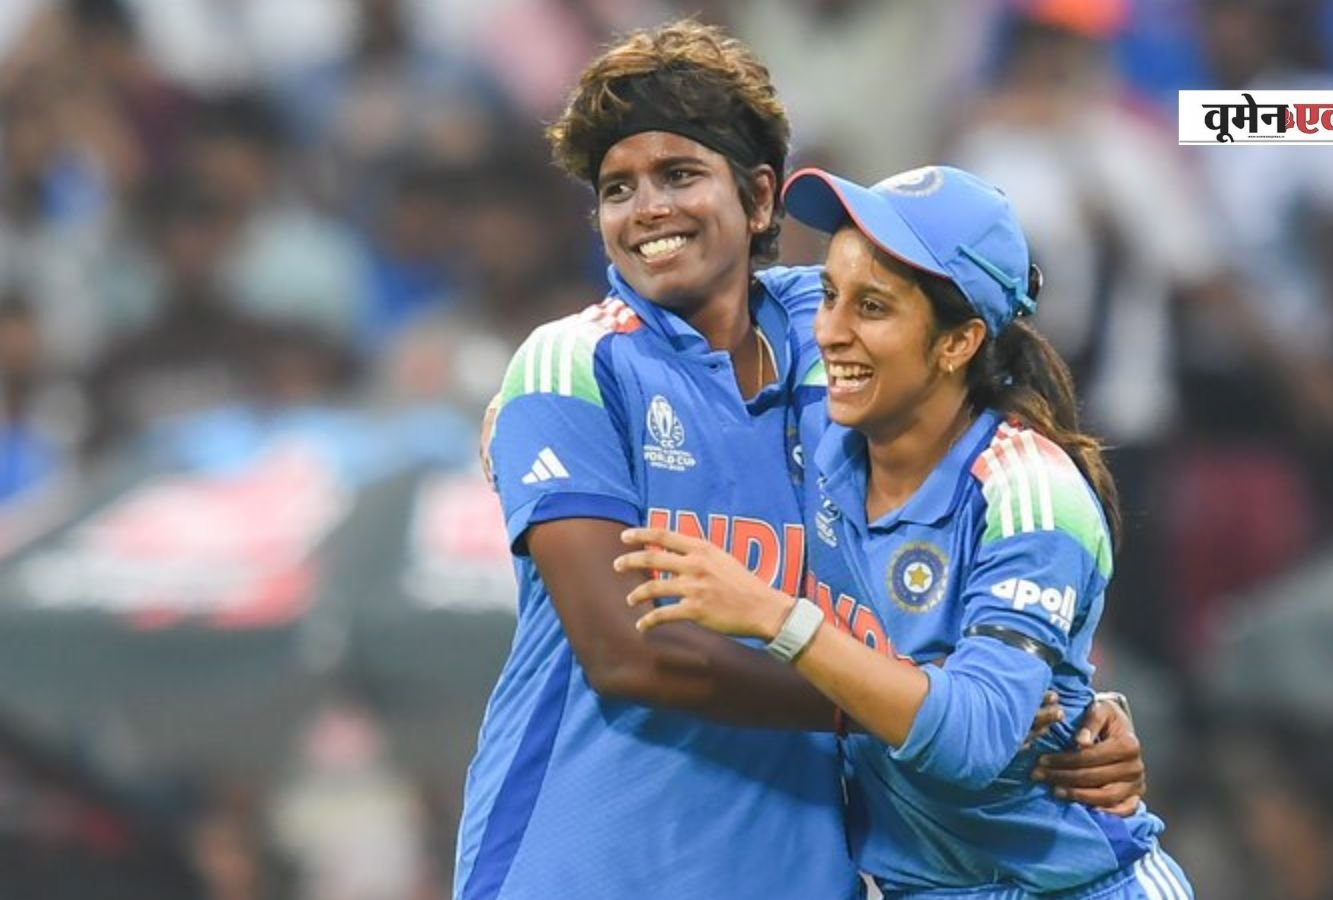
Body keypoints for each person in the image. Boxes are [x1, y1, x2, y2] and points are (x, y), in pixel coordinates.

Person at [463, 20, 1146, 900]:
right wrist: (912, 713)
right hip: (584, 873)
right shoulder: (575, 365)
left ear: (758, 199)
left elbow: (976, 437)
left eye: (679, 174)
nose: (647, 209)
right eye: (616, 188)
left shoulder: (826, 341)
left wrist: (1065, 716)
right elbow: (627, 656)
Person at [617, 164, 1191, 899]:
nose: (830, 331)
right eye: (830, 294)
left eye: (873, 307)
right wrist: (532, 392)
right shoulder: (822, 427)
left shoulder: (1030, 494)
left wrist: (775, 617)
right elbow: (710, 304)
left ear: (959, 342)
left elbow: (976, 739)